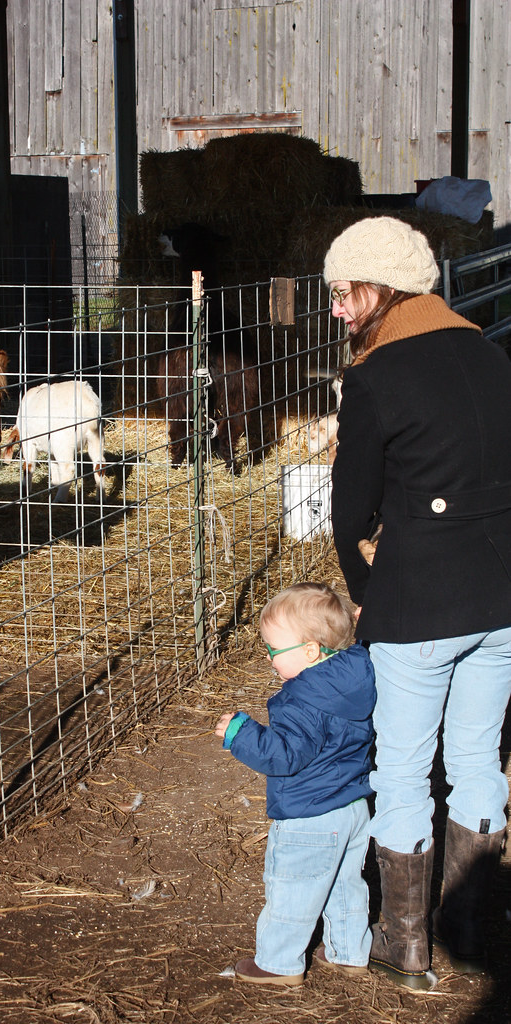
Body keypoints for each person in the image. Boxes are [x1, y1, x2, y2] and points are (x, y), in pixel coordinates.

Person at [325, 215, 511, 990]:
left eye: (343, 293)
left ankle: (404, 946)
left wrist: (365, 590)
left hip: (416, 602)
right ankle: (471, 924)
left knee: (401, 769)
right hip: (499, 599)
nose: (336, 308)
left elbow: (348, 510)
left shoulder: (374, 378)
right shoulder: (491, 354)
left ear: (382, 289)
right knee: (474, 758)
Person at [215, 582, 376, 987]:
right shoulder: (359, 674)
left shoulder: (302, 698)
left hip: (310, 813)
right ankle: (349, 951)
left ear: (310, 651)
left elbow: (286, 755)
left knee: (292, 887)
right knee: (345, 883)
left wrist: (241, 733)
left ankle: (278, 962)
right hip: (354, 805)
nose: (269, 660)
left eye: (273, 650)